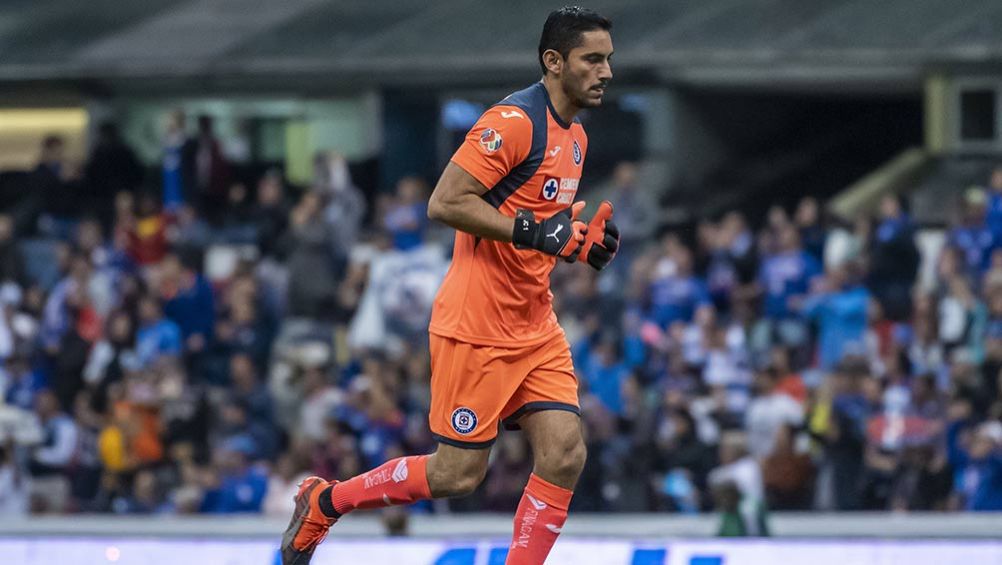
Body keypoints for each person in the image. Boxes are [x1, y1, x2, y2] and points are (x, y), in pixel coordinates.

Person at [281, 7, 619, 564]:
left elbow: (535, 227)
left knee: (565, 454)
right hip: (476, 326)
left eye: (607, 59)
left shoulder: (576, 137)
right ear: (554, 61)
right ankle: (325, 501)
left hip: (535, 323)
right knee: (457, 475)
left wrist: (577, 242)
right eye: (593, 59)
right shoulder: (513, 122)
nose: (606, 71)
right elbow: (445, 203)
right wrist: (539, 231)